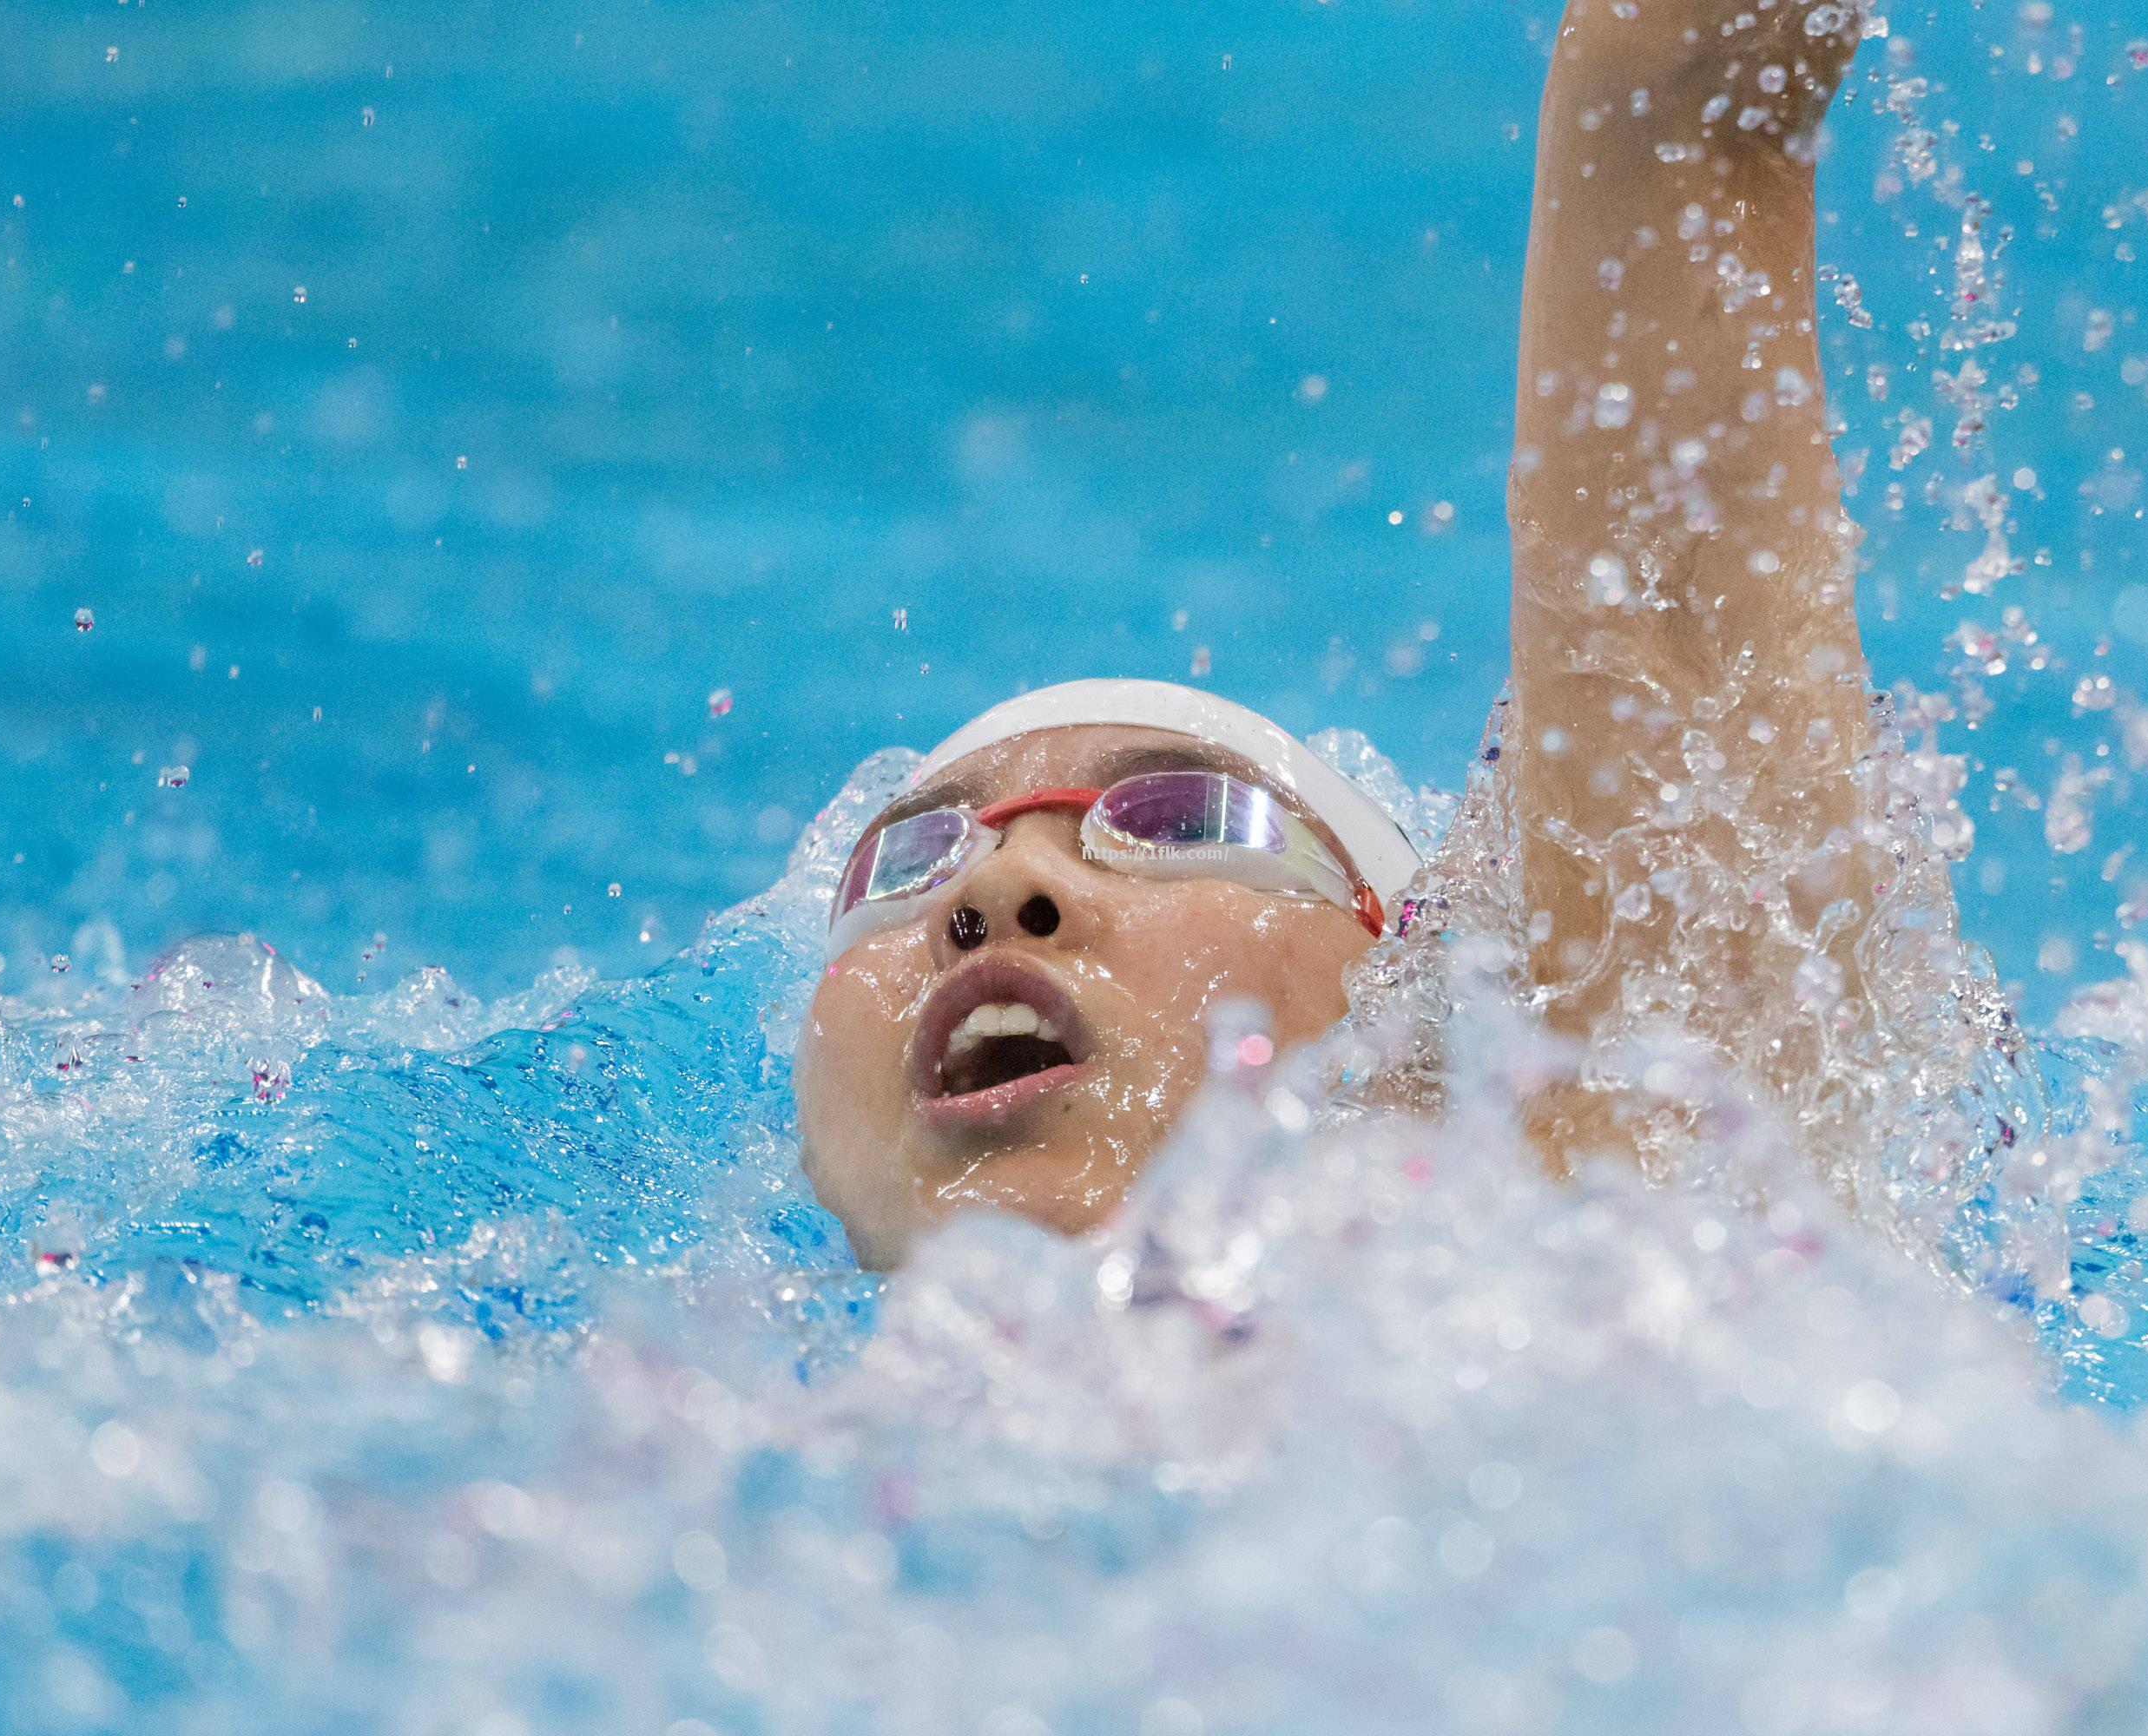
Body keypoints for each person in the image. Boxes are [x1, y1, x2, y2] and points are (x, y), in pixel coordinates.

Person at [798, 0, 1893, 1269]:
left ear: (1408, 1015)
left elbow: (1684, 105)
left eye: (1176, 821)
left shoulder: (1621, 1251)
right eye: (908, 862)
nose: (997, 891)